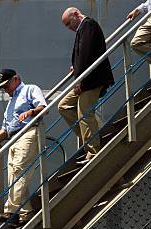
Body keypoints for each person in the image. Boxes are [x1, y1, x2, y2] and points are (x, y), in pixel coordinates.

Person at [0, 69, 46, 228]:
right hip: (13, 139)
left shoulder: (30, 89)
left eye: (6, 85)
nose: (5, 90)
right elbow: (5, 130)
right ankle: (26, 212)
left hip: (28, 132)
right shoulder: (10, 105)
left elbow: (43, 107)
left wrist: (31, 111)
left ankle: (11, 211)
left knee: (19, 171)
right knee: (13, 175)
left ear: (16, 79)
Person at [58, 7, 114, 162]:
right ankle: (91, 138)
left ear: (76, 15)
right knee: (64, 106)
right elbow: (83, 54)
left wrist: (80, 80)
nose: (69, 28)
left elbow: (86, 54)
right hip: (86, 78)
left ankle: (93, 150)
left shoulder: (88, 25)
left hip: (92, 79)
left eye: (69, 23)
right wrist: (76, 68)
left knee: (84, 113)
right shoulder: (83, 29)